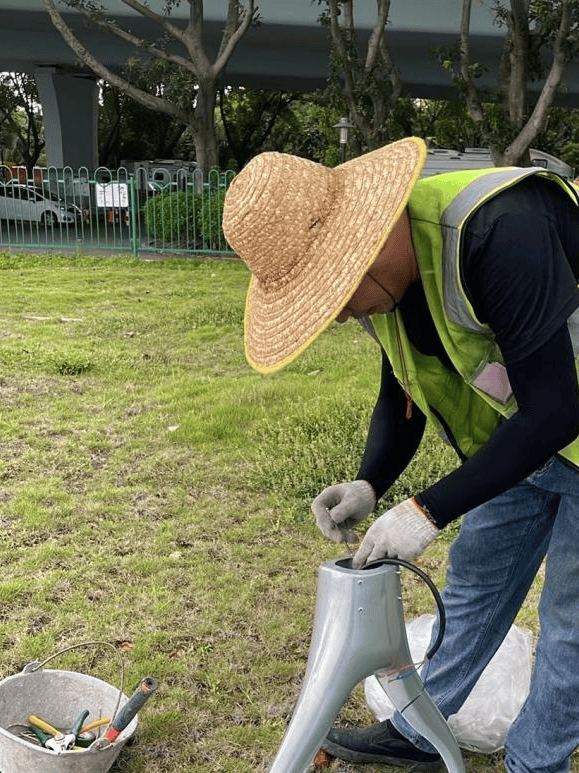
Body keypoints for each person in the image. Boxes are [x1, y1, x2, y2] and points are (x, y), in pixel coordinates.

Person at [222, 137, 579, 773]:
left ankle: (536, 764)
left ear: (367, 242)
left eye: (332, 295)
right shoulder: (387, 277)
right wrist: (372, 482)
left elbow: (556, 409)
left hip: (559, 414)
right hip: (521, 431)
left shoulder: (501, 230)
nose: (335, 318)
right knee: (477, 577)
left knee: (570, 624)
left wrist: (429, 509)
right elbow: (404, 382)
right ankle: (421, 732)